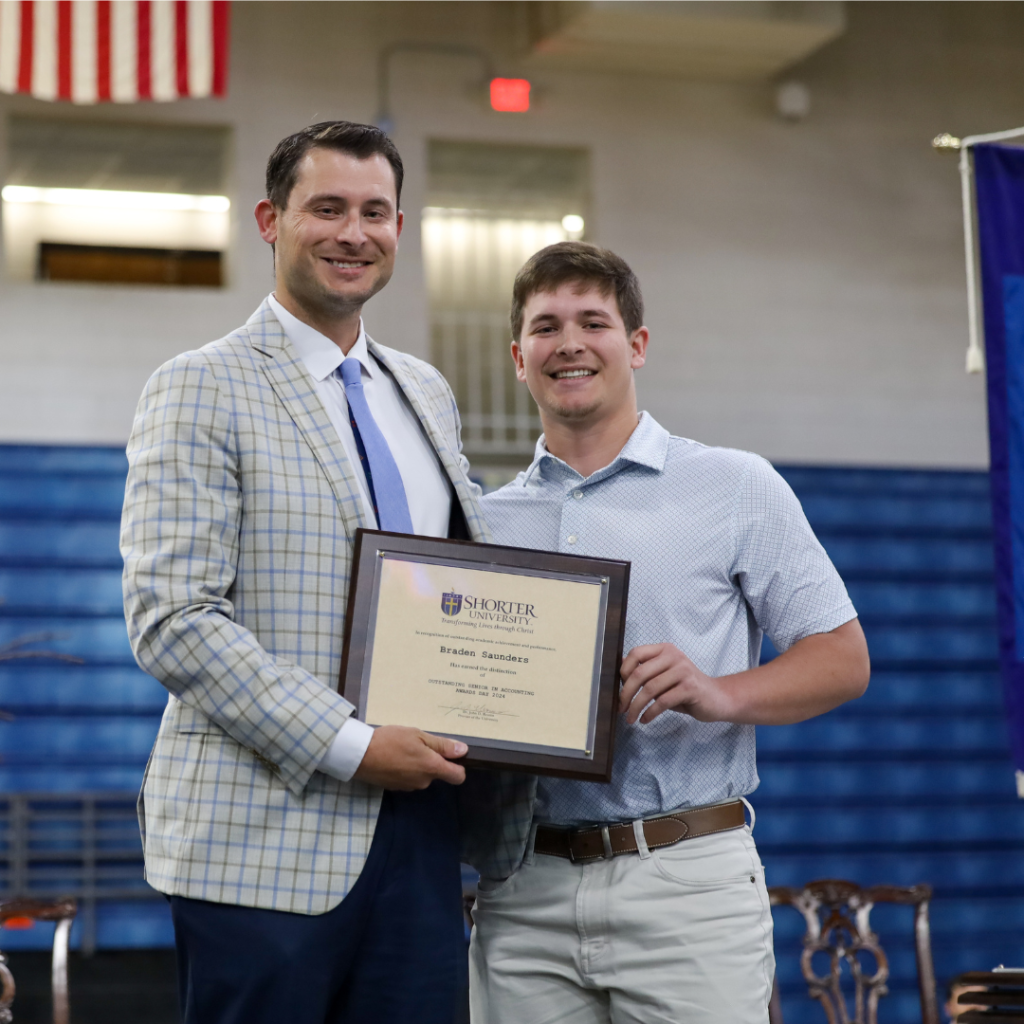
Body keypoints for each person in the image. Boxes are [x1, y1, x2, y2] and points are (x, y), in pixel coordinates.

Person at [120, 121, 488, 1024]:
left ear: (401, 227)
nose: (352, 233)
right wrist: (356, 746)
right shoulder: (198, 384)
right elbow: (174, 617)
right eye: (326, 208)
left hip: (424, 830)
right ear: (269, 220)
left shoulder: (426, 392)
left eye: (374, 212)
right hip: (265, 838)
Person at [466, 241, 872, 1024]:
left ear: (637, 345)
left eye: (594, 321)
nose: (571, 343)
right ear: (520, 358)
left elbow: (843, 659)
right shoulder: (484, 523)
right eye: (547, 327)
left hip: (686, 880)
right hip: (525, 888)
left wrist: (718, 693)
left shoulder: (735, 485)